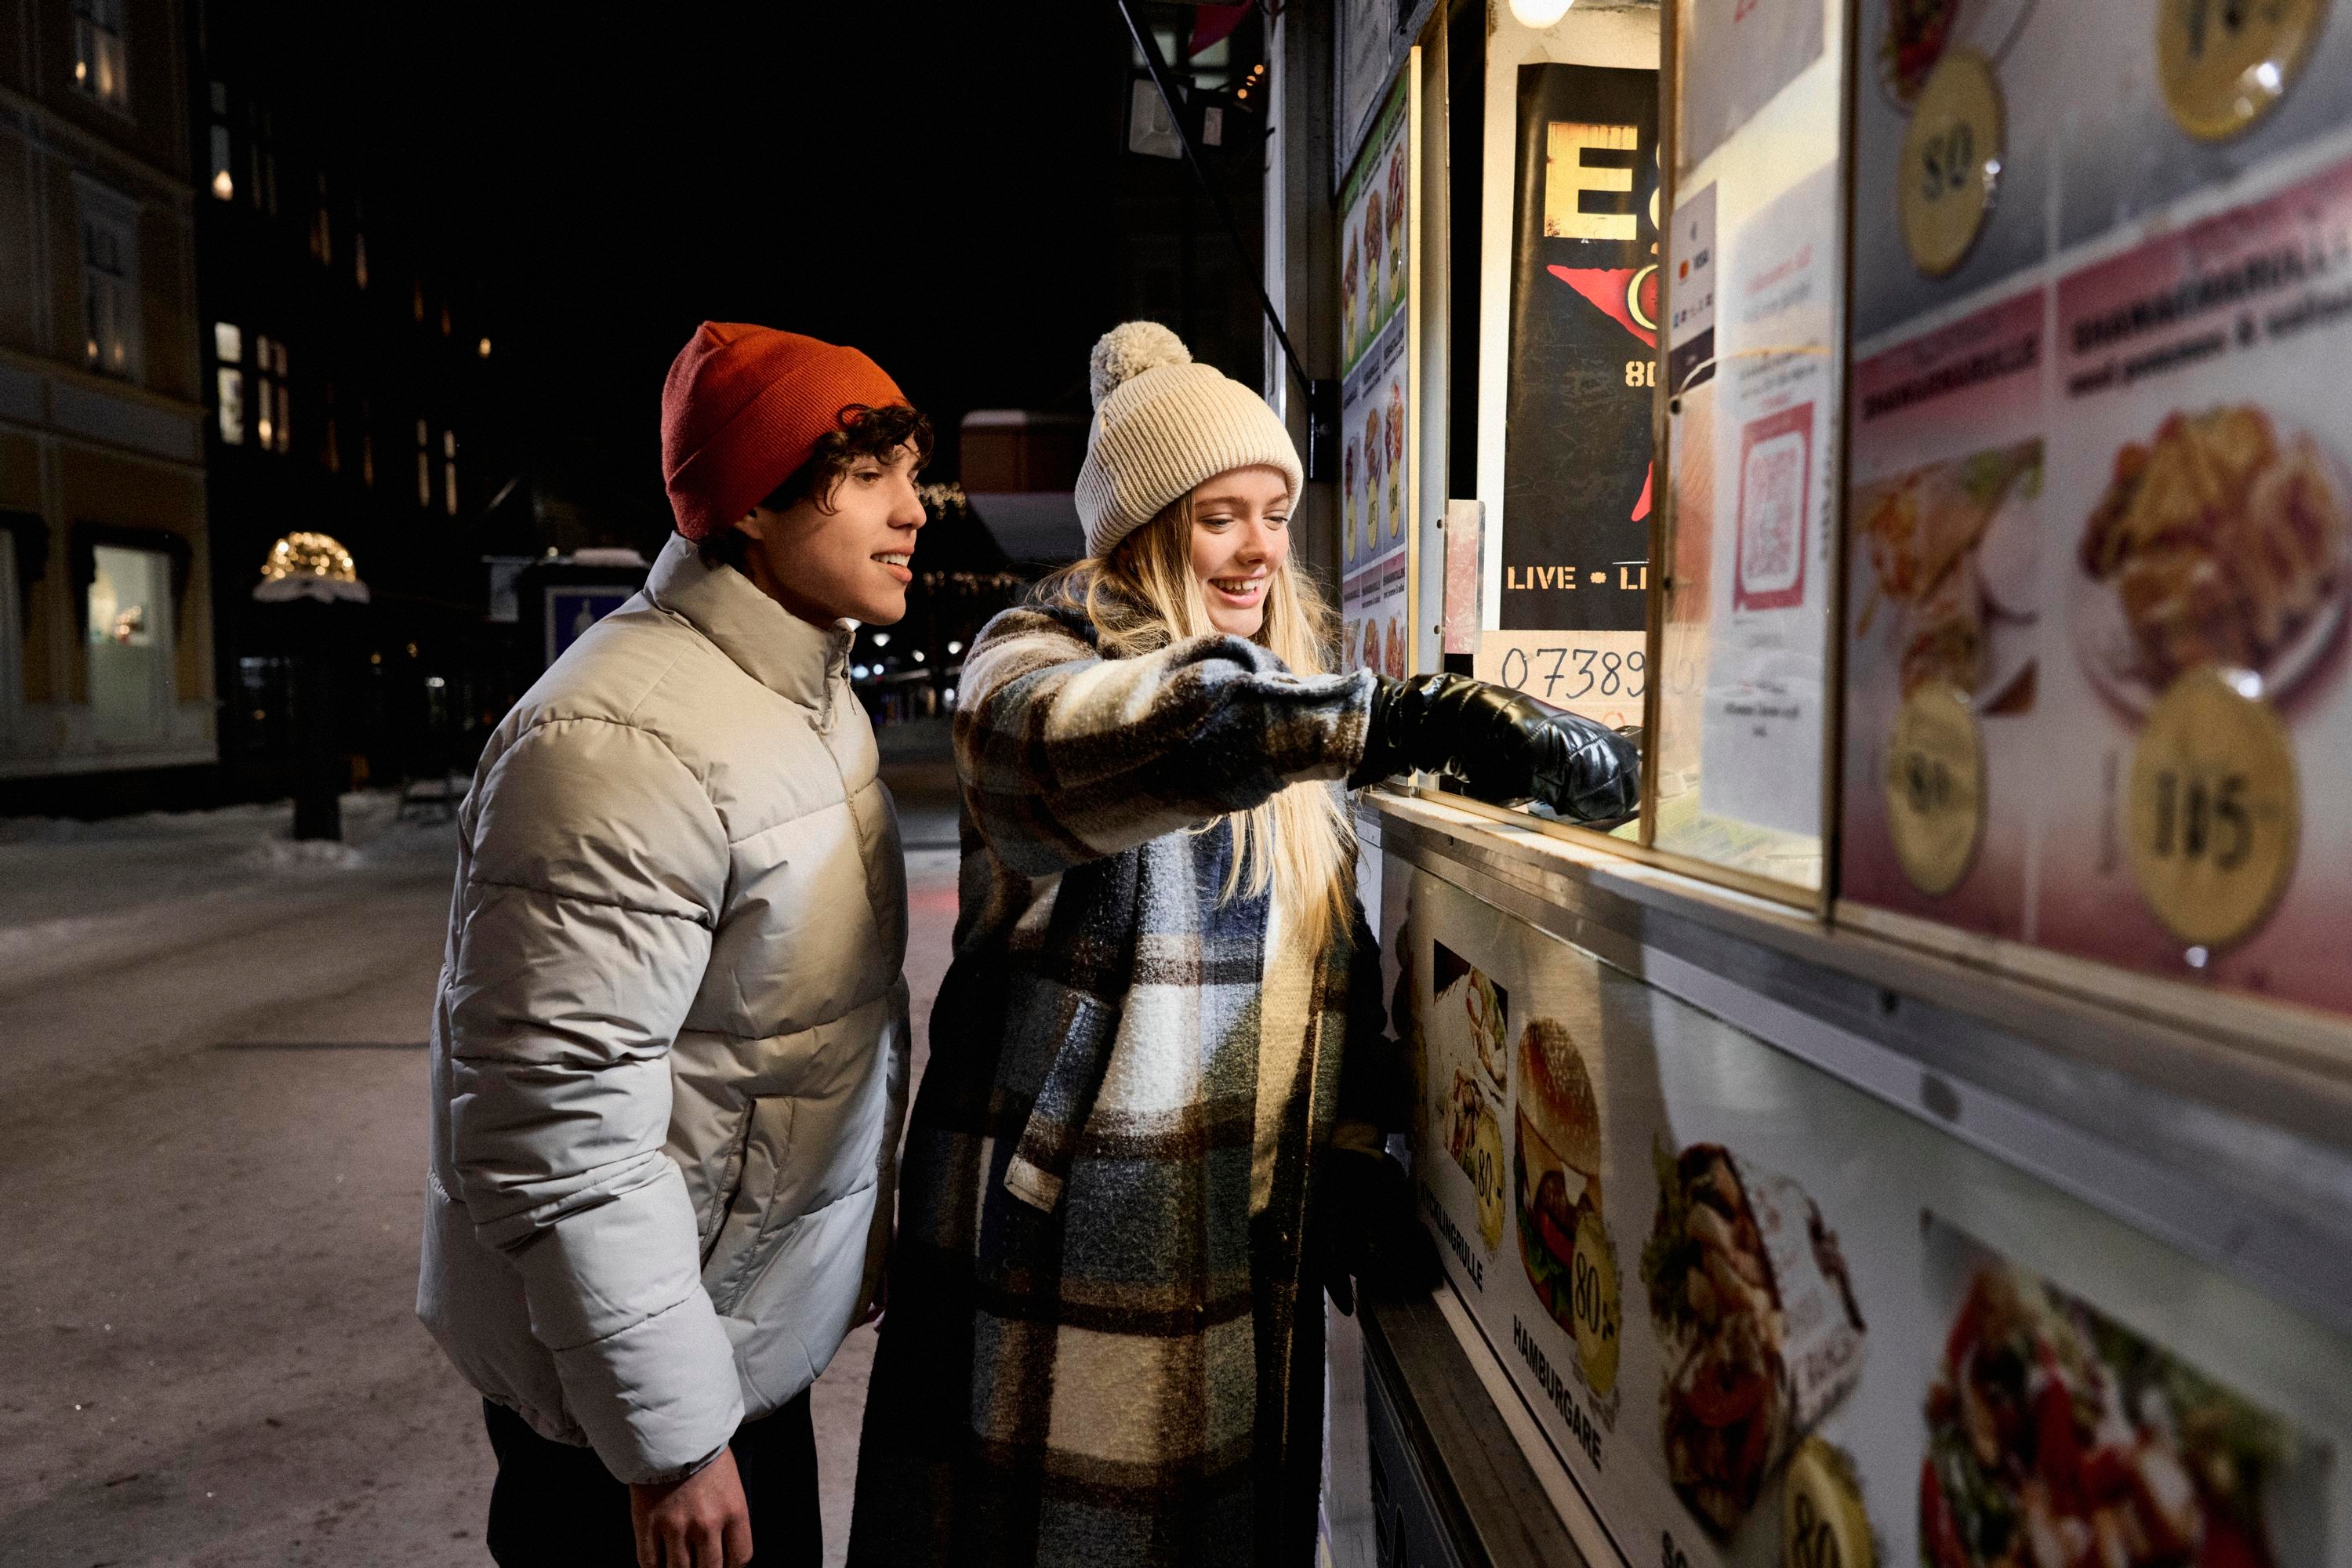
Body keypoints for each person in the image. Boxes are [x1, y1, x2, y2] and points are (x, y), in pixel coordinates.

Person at [848, 322, 1638, 1566]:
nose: (1259, 546)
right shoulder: (1041, 656)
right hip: (1068, 1252)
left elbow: (1327, 952)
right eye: (1221, 515)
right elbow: (1103, 733)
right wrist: (1391, 720)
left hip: (1238, 1237)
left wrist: (1354, 1138)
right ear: (1151, 529)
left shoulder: (1284, 691)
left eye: (1275, 511)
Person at [418, 321, 927, 1568]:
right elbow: (556, 1124)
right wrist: (674, 1442)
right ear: (755, 502)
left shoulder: (799, 694)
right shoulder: (617, 742)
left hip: (726, 1336)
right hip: (626, 1403)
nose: (915, 510)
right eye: (873, 476)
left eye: (912, 473)